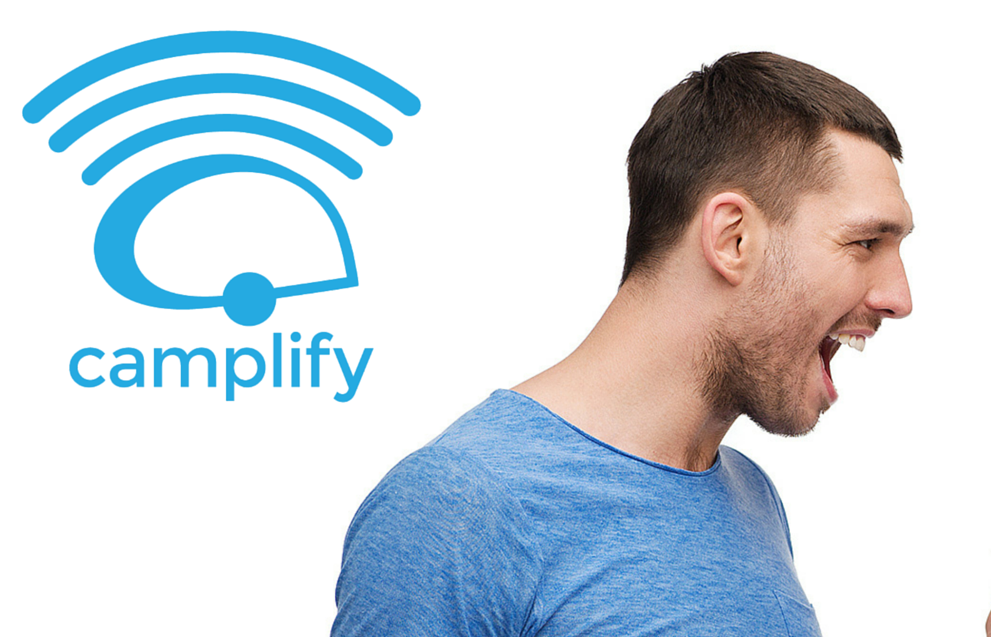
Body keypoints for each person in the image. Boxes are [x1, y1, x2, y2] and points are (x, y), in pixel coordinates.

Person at [331, 52, 916, 636]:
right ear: (732, 238)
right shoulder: (458, 507)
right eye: (865, 242)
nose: (899, 297)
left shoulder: (751, 496)